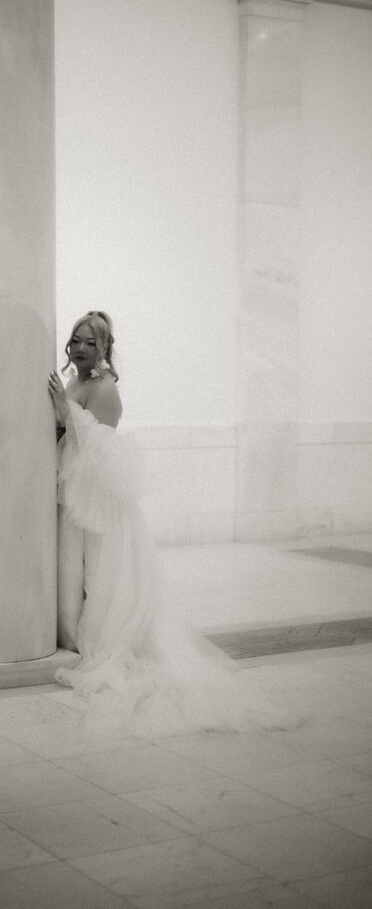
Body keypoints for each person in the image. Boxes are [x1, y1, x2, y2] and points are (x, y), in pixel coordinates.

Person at [48, 310, 296, 739]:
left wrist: (65, 414)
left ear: (106, 348)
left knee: (98, 573)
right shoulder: (79, 380)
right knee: (74, 571)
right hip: (76, 496)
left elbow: (103, 454)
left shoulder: (104, 389)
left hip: (99, 502)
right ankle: (71, 631)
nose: (82, 347)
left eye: (91, 342)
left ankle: (96, 640)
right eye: (76, 339)